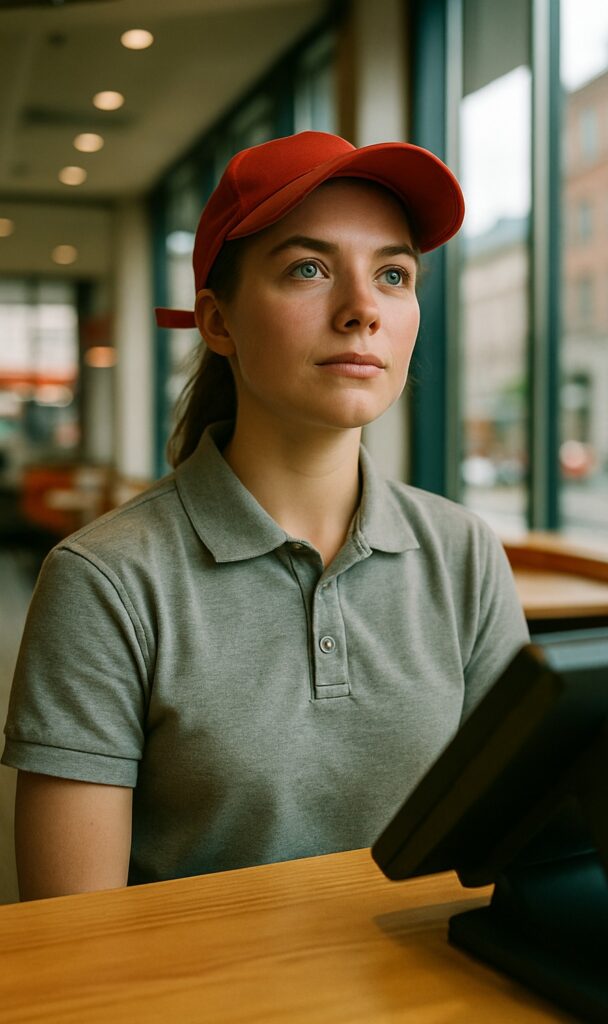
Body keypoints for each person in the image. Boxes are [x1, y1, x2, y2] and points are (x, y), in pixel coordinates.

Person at [2, 131, 529, 899]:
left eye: (392, 274)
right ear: (217, 323)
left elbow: (512, 849)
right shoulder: (105, 579)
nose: (360, 311)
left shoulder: (464, 553)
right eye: (308, 269)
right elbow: (75, 944)